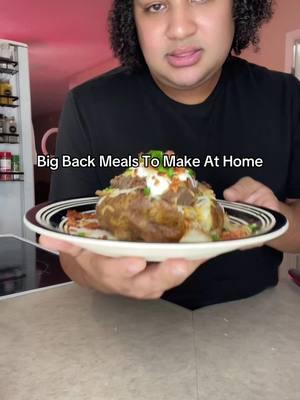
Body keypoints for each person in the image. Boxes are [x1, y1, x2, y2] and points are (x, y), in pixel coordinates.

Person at [40, 0, 300, 310]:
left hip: (258, 316)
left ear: (239, 6)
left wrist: (272, 219)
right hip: (122, 321)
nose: (179, 28)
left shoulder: (286, 97)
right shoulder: (88, 106)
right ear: (132, 20)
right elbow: (70, 246)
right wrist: (96, 274)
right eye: (156, 5)